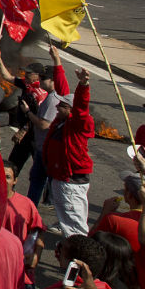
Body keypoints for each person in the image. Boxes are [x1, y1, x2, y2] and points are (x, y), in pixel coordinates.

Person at [43, 68, 93, 237]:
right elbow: (62, 90)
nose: (57, 107)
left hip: (71, 181)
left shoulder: (78, 125)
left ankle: (79, 254)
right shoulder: (60, 121)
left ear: (72, 110)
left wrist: (83, 84)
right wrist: (57, 65)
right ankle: (69, 247)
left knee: (75, 224)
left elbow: (81, 106)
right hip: (60, 177)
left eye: (63, 106)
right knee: (66, 220)